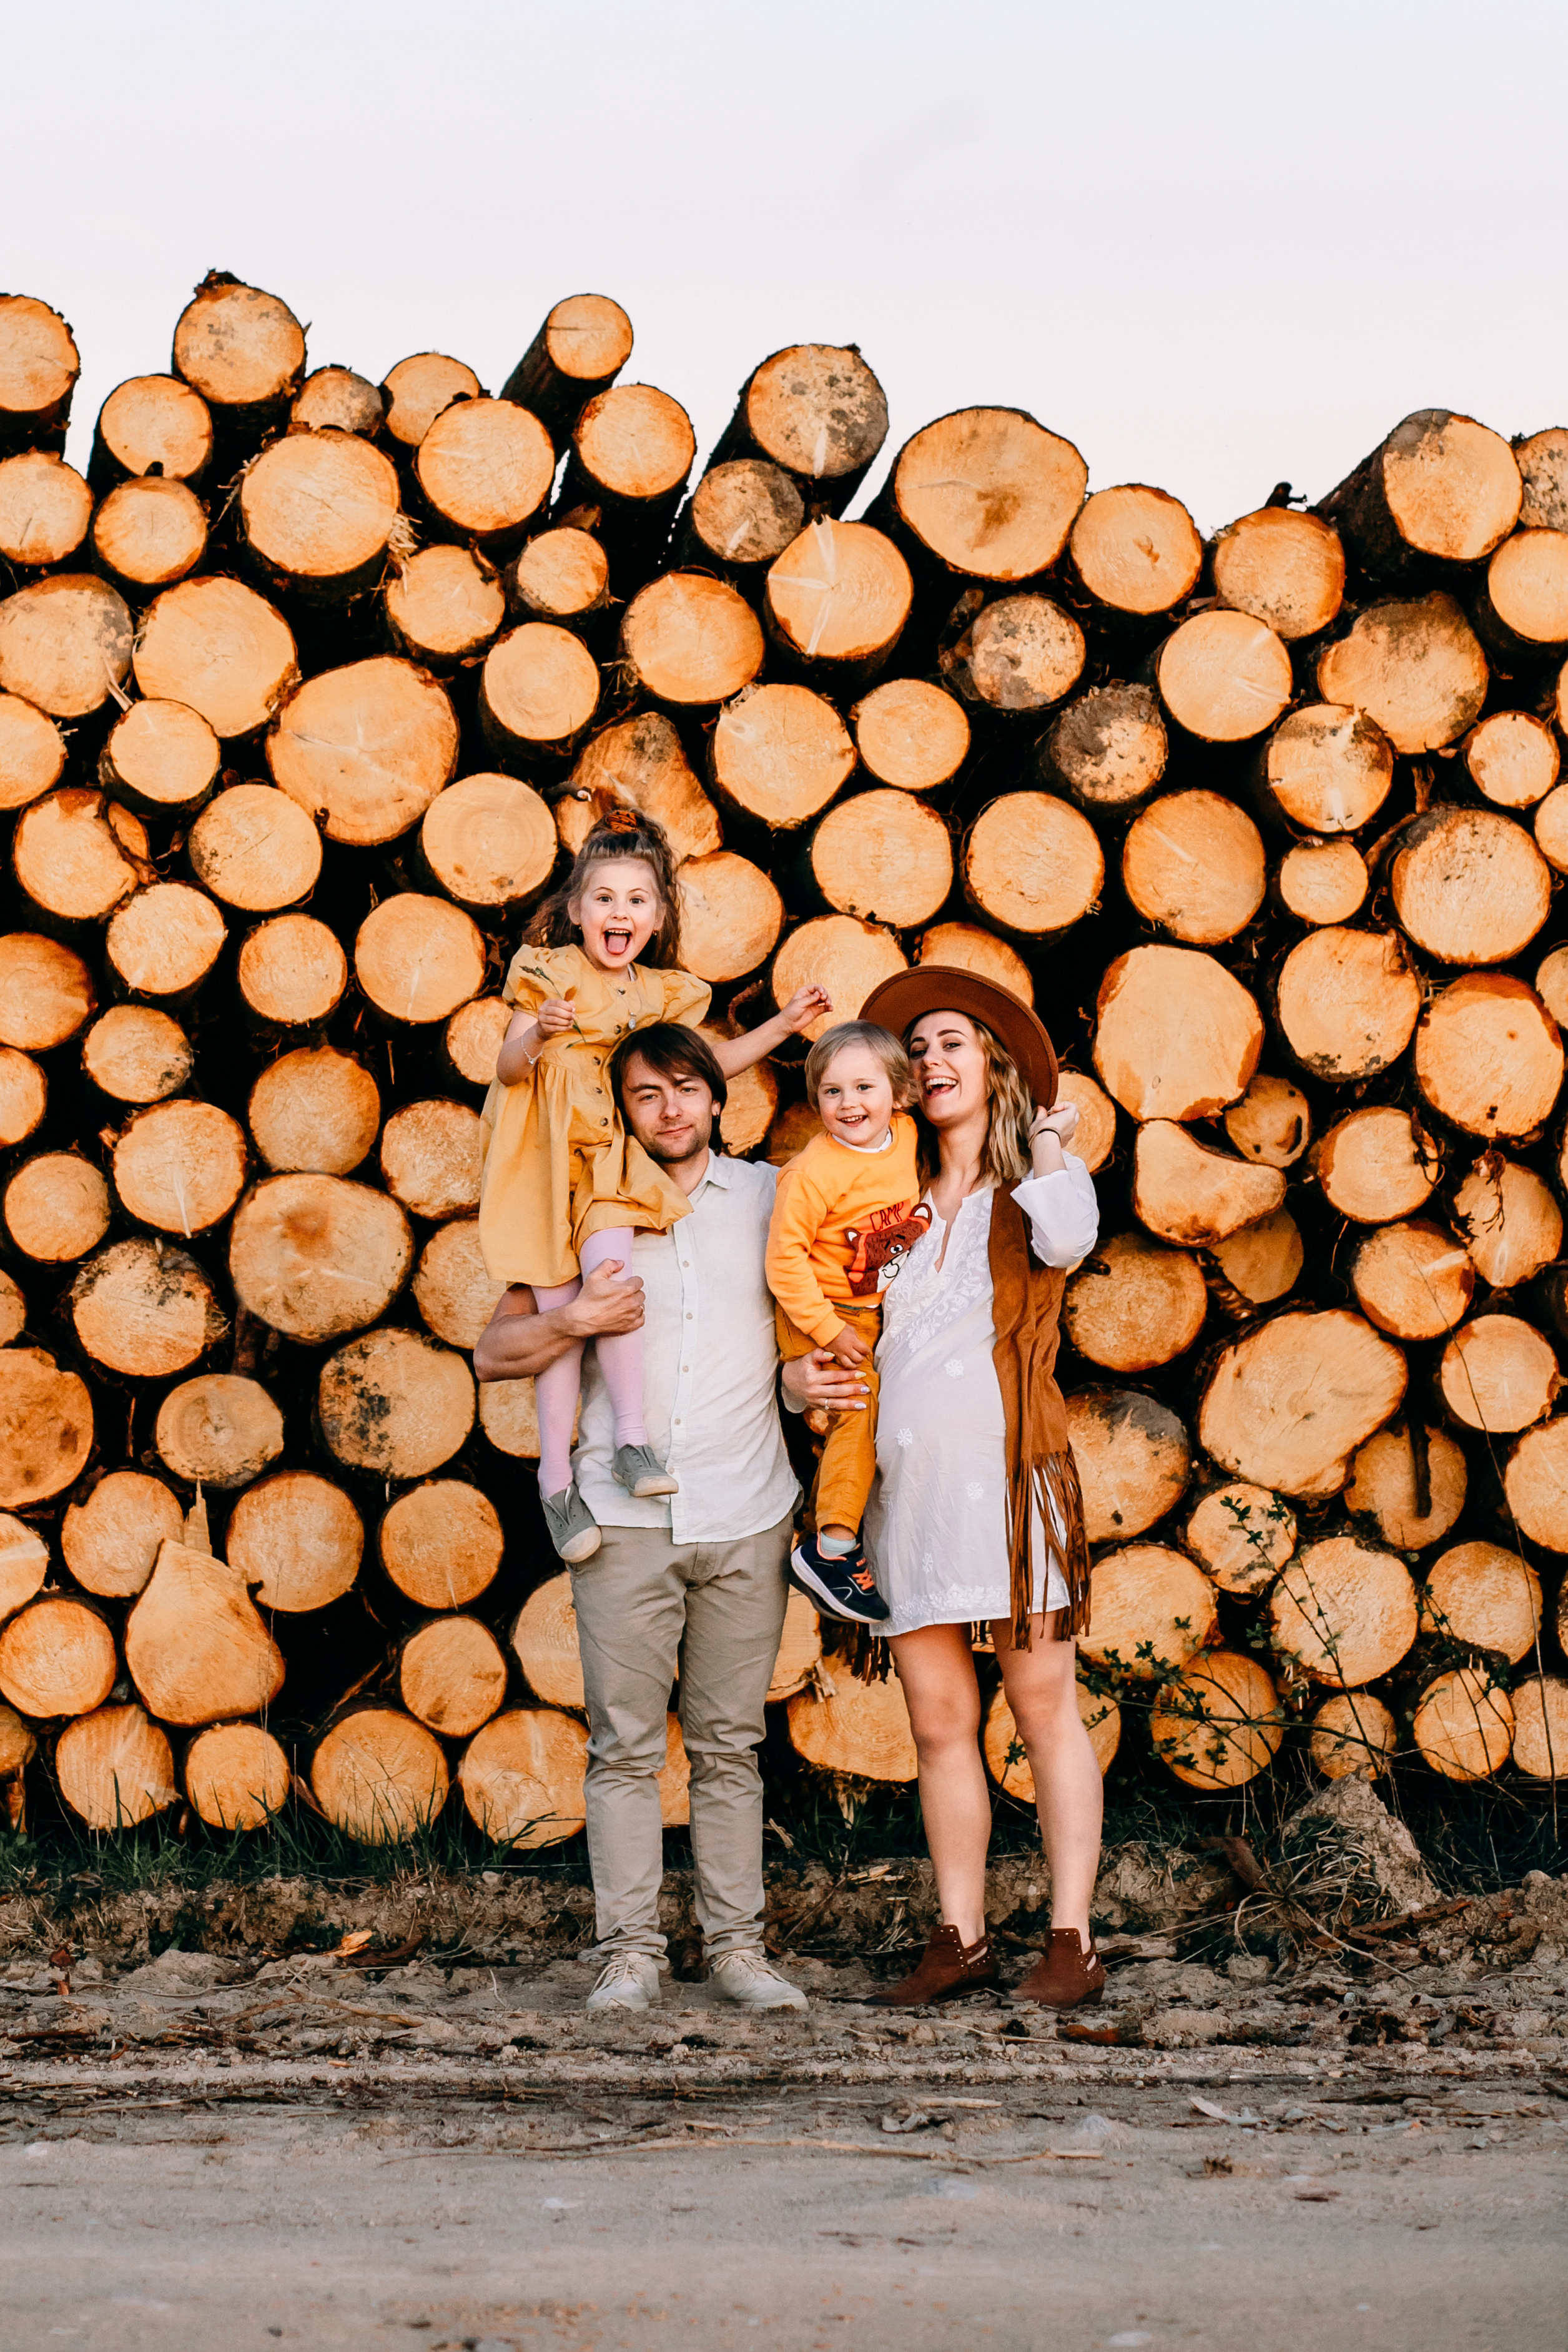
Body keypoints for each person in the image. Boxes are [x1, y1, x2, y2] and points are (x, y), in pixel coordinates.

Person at [474, 1022, 839, 2015]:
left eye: (686, 1087)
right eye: (646, 1093)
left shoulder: (770, 1198)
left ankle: (737, 1951)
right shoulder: (580, 1202)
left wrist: (803, 1383)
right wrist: (574, 1320)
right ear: (620, 1107)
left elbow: (809, 1328)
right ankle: (628, 1954)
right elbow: (493, 1353)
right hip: (623, 1520)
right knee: (624, 1747)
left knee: (729, 1747)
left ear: (718, 1096)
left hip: (744, 1510)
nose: (669, 1108)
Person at [800, 967, 1106, 2012]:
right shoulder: (889, 1207)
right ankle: (960, 1937)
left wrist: (1051, 1144)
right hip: (908, 1495)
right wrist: (802, 1376)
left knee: (1042, 1706)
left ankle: (1071, 1939)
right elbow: (841, 1315)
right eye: (918, 1048)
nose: (932, 1059)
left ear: (995, 1067)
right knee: (937, 1721)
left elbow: (1068, 1240)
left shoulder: (1034, 1189)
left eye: (953, 1044)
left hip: (1013, 1486)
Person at [477, 808, 827, 1563]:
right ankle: (556, 1478)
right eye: (604, 898)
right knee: (564, 1318)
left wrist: (784, 1025)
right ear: (576, 911)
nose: (621, 912)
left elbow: (703, 1068)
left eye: (637, 900)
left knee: (615, 1282)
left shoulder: (657, 997)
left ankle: (633, 1440)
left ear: (659, 917)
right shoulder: (549, 975)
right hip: (548, 1167)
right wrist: (538, 1033)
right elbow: (505, 1070)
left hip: (610, 1163)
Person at [765, 1019, 934, 1627]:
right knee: (857, 1411)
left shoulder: (909, 1137)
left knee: (891, 1411)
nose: (848, 1103)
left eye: (864, 1087)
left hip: (871, 1310)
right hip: (819, 1310)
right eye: (832, 1091)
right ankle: (831, 1548)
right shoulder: (814, 1172)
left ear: (899, 1093)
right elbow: (784, 1262)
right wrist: (828, 1330)